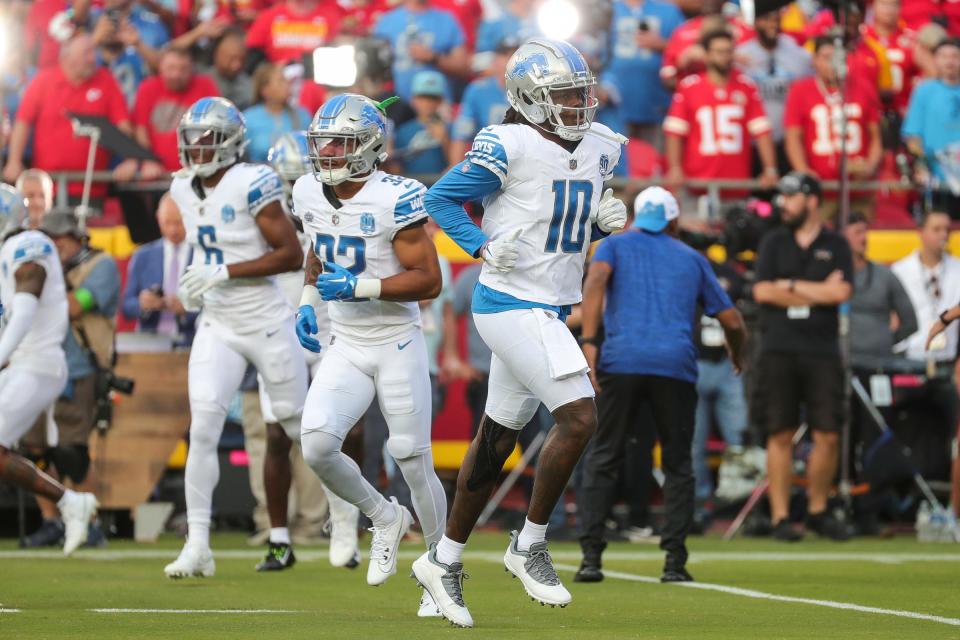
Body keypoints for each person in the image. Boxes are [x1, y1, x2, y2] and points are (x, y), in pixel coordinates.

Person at [415, 39, 627, 627]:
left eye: (581, 93)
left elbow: (562, 227)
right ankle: (528, 542)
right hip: (510, 302)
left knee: (496, 439)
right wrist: (482, 245)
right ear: (530, 99)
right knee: (580, 415)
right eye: (564, 96)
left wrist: (599, 225)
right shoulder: (509, 143)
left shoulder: (602, 148)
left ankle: (444, 559)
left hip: (549, 305)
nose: (579, 105)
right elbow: (441, 198)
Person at [292, 93, 447, 616]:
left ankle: (440, 571)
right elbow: (317, 247)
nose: (327, 153)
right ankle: (382, 515)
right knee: (315, 444)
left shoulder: (395, 197)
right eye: (323, 143)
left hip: (397, 339)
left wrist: (358, 288)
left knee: (410, 455)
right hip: (347, 343)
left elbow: (430, 280)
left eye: (339, 143)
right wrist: (308, 301)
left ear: (369, 147)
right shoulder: (308, 189)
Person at [162, 97, 309, 579]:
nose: (195, 147)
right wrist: (194, 280)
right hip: (218, 323)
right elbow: (205, 244)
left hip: (267, 321)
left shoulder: (254, 180)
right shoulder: (182, 186)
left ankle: (365, 514)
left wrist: (221, 271)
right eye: (191, 137)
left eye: (205, 137)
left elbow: (289, 254)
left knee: (303, 433)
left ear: (228, 140)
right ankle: (198, 544)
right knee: (202, 426)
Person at [574, 187, 745, 583]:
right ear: (673, 221)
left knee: (604, 456)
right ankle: (674, 562)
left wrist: (590, 342)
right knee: (678, 463)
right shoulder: (692, 258)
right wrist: (739, 352)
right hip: (675, 367)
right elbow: (733, 320)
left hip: (621, 361)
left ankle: (591, 558)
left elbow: (596, 279)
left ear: (635, 215)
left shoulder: (614, 247)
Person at [259, 131, 361, 569]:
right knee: (277, 436)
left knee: (347, 430)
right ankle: (279, 538)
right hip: (285, 334)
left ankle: (349, 525)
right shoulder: (263, 217)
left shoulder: (339, 206)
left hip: (335, 331)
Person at [751, 172, 854, 542]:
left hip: (822, 350)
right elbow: (763, 291)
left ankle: (817, 510)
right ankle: (780, 517)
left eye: (791, 197)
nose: (783, 203)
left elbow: (841, 292)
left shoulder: (836, 243)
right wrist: (816, 291)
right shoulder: (773, 241)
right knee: (779, 432)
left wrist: (790, 286)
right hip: (779, 347)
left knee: (828, 433)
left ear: (812, 200)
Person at [0, 185, 98, 556]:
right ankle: (71, 503)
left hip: (38, 363)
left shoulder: (28, 245)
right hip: (21, 363)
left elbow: (24, 312)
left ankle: (71, 502)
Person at [21, 210, 120, 548]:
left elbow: (76, 306)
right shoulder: (39, 269)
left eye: (59, 240)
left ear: (76, 239)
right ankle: (52, 520)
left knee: (72, 451)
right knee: (34, 448)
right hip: (37, 366)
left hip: (80, 370)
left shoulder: (99, 265)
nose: (54, 247)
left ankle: (88, 520)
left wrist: (54, 280)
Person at [3, 33, 137, 205]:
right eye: (86, 53)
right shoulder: (43, 80)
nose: (93, 58)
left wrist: (130, 159)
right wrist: (14, 161)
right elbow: (23, 122)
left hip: (92, 187)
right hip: (46, 190)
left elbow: (123, 124)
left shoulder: (106, 80)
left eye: (93, 52)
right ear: (67, 57)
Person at [663, 30, 779, 203]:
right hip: (697, 184)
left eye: (729, 51)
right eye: (719, 52)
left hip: (737, 185)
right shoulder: (690, 87)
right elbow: (675, 132)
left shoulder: (746, 86)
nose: (725, 57)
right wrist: (675, 168)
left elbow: (762, 131)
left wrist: (770, 168)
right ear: (707, 55)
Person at [783, 36, 883, 219]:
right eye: (826, 58)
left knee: (859, 236)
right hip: (821, 189)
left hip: (858, 187)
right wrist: (803, 170)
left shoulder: (863, 87)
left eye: (837, 58)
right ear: (814, 60)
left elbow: (876, 135)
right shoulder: (800, 90)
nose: (832, 64)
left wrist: (870, 165)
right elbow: (793, 137)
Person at [735, 9, 813, 173]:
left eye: (776, 20)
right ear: (755, 23)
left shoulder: (798, 55)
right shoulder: (740, 56)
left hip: (788, 140)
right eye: (766, 19)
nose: (772, 25)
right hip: (752, 143)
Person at [607, 0, 685, 148]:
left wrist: (661, 44)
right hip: (614, 104)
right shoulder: (607, 8)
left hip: (656, 103)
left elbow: (687, 49)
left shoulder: (668, 10)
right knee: (614, 164)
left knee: (654, 165)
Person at [120, 193, 197, 343]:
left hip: (192, 338)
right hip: (150, 340)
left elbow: (218, 306)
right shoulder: (143, 255)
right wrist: (142, 304)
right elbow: (127, 307)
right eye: (167, 223)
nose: (173, 230)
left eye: (178, 223)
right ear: (158, 219)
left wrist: (187, 309)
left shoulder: (201, 254)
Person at [843, 210, 917, 362]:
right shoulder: (829, 276)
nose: (864, 238)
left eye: (865, 232)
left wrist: (885, 341)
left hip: (879, 362)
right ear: (842, 236)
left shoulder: (885, 275)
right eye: (857, 232)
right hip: (840, 363)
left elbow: (911, 322)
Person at [134, 47, 220, 177]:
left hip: (196, 172)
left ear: (191, 69)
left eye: (183, 69)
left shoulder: (205, 85)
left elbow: (217, 127)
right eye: (171, 68)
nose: (176, 75)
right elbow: (141, 129)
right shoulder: (147, 88)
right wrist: (148, 159)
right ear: (160, 68)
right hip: (157, 174)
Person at [902, 38, 960, 215]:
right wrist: (921, 165)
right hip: (937, 179)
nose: (949, 61)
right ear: (935, 59)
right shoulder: (924, 91)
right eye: (943, 56)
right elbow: (912, 135)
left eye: (955, 56)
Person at [372, 0, 470, 102]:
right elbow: (374, 70)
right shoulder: (386, 22)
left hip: (435, 103)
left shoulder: (446, 20)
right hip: (396, 105)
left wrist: (433, 57)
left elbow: (463, 67)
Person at [450, 37, 513, 164]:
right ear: (494, 61)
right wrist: (454, 166)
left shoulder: (534, 91)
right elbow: (461, 133)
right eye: (504, 55)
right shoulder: (478, 90)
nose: (509, 60)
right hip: (487, 161)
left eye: (514, 55)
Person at [243, 63, 312, 163]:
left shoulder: (303, 116)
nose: (287, 85)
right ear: (265, 90)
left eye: (287, 81)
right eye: (281, 81)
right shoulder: (248, 119)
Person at [864, 0, 919, 116]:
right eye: (884, 4)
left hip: (904, 113)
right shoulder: (862, 38)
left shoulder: (912, 40)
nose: (889, 9)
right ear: (873, 6)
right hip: (871, 113)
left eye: (894, 4)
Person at [394, 71, 450, 175]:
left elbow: (457, 165)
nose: (427, 103)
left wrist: (444, 140)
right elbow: (397, 168)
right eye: (422, 97)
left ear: (440, 100)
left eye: (433, 98)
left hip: (439, 187)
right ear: (413, 99)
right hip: (412, 187)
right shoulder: (403, 130)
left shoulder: (450, 128)